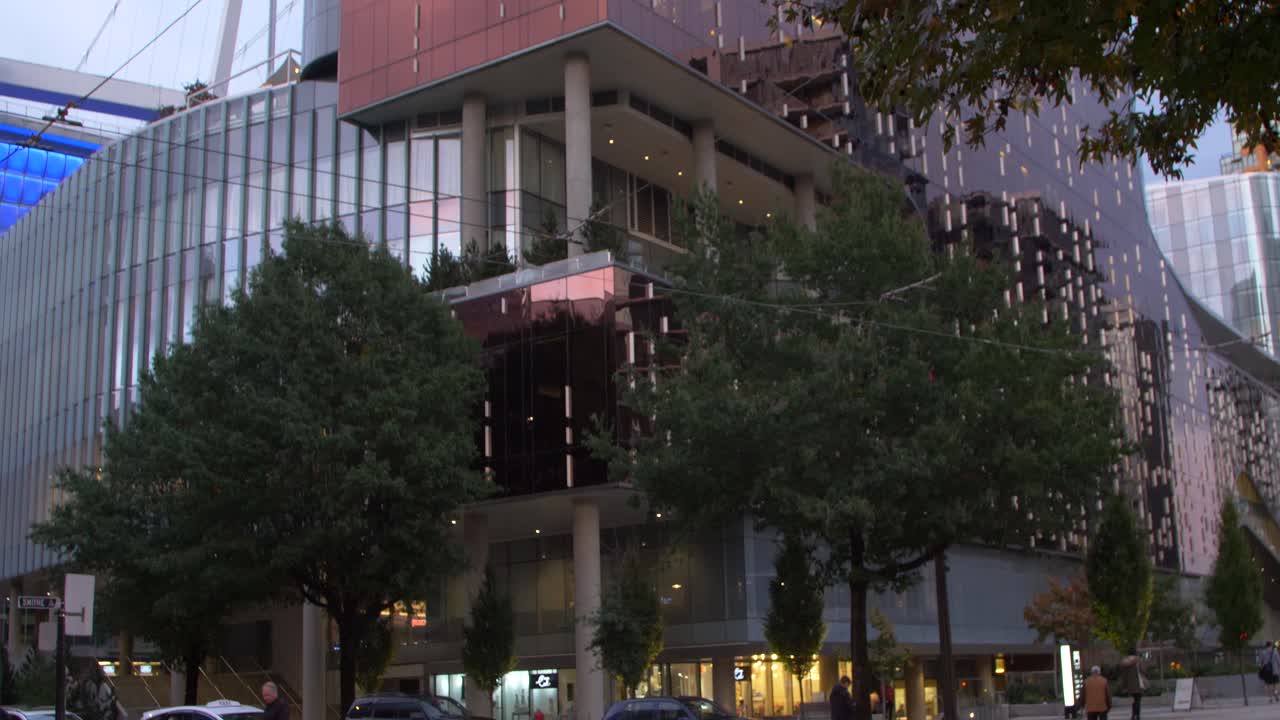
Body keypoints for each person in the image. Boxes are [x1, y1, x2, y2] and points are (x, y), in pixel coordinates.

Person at [1119, 652, 1146, 720]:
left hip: (1131, 685)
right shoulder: (1138, 661)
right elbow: (1143, 671)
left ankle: (1133, 715)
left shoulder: (1126, 663)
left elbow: (1124, 676)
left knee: (1135, 700)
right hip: (1139, 684)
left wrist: (1124, 687)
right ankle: (1137, 716)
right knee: (1138, 700)